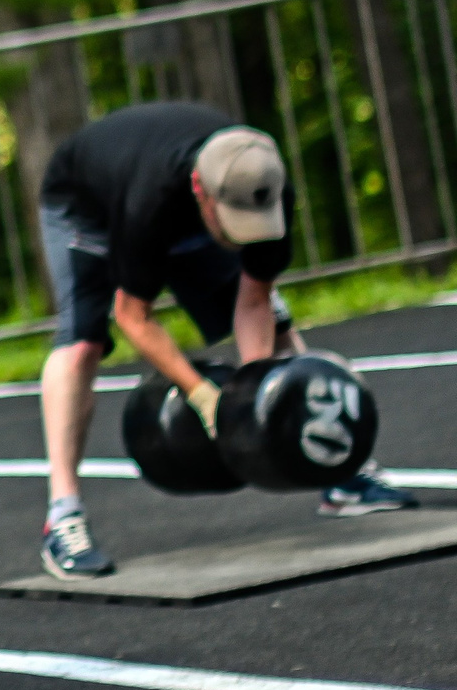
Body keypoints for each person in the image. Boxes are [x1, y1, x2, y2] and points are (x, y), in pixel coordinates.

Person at [33, 99, 414, 580]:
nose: (247, 233)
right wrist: (203, 394)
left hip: (185, 208)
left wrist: (256, 406)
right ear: (202, 193)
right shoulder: (149, 200)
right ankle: (62, 517)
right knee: (81, 342)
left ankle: (339, 473)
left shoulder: (265, 185)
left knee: (276, 324)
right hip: (87, 207)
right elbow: (133, 317)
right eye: (233, 219)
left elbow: (254, 301)